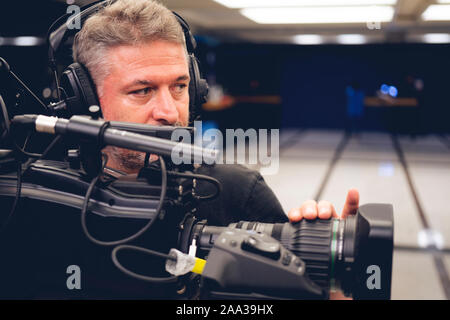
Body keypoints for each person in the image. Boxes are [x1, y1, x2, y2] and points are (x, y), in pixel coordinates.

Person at [19, 0, 358, 299]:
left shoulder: (239, 192)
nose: (170, 112)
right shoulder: (33, 193)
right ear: (85, 100)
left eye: (179, 86)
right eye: (142, 90)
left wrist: (330, 271)